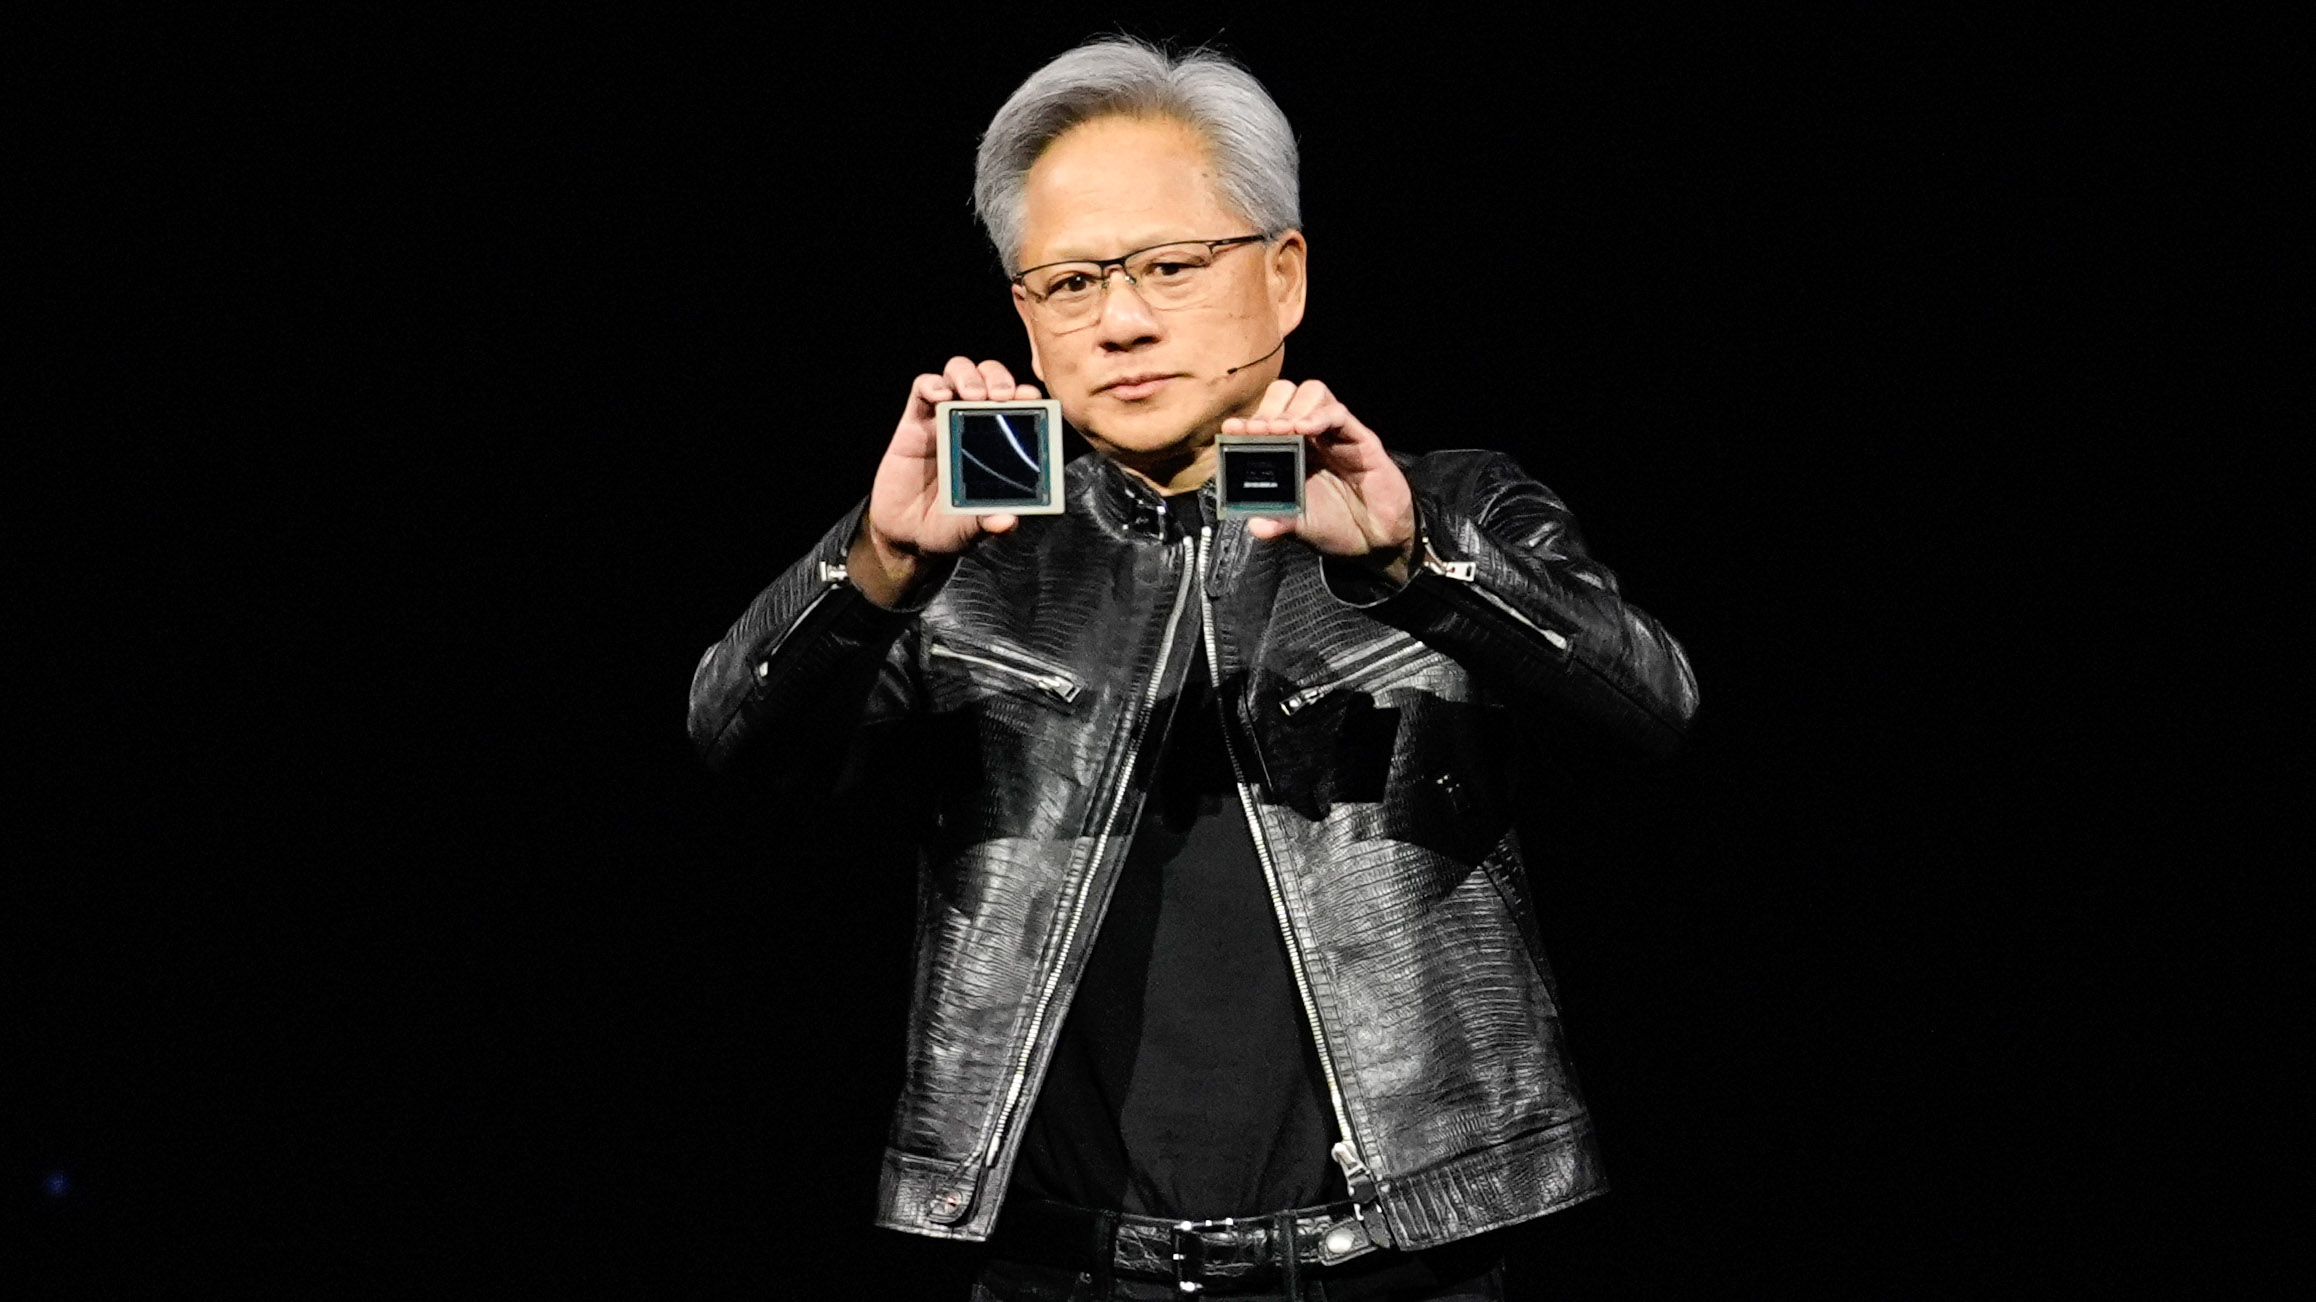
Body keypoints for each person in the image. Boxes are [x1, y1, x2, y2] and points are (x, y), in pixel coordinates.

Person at [689, 36, 1699, 1302]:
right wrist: (876, 565)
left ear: (1284, 277)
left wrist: (1418, 567)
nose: (1121, 321)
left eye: (1170, 265)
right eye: (1070, 283)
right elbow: (736, 754)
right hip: (1058, 1273)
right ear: (1027, 321)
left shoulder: (1450, 509)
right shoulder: (967, 556)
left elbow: (1654, 713)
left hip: (1401, 1266)